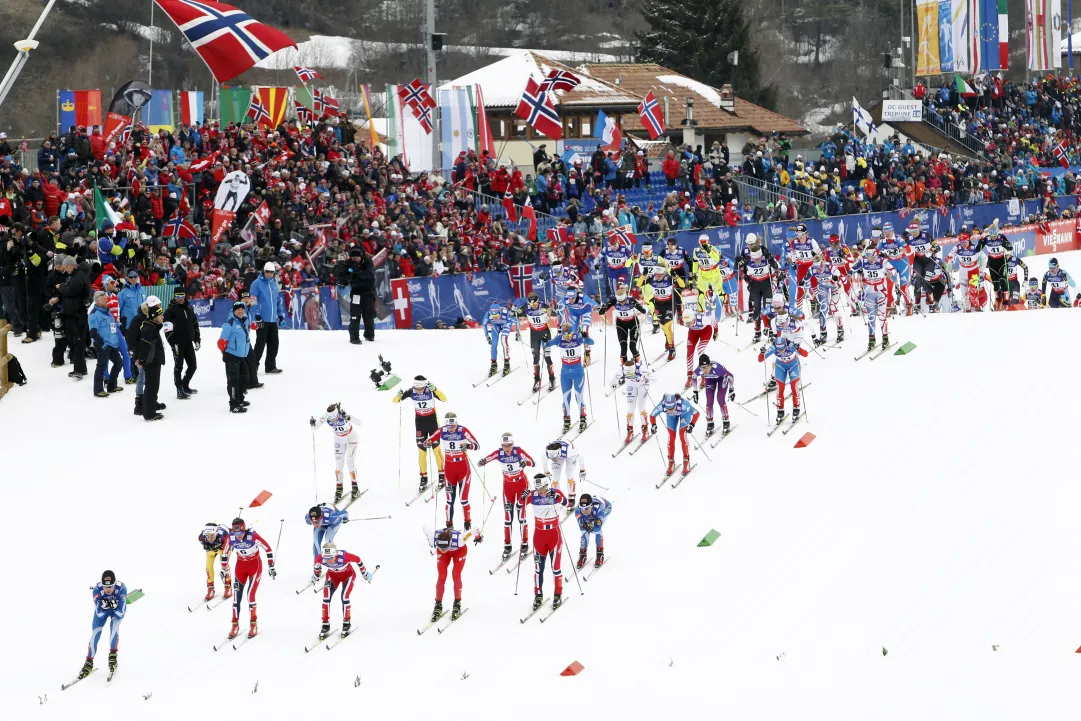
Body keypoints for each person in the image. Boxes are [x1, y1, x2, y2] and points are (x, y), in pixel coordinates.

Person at [478, 432, 535, 562]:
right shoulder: (499, 453)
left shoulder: (518, 451)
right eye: (504, 445)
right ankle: (507, 545)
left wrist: (525, 463)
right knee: (508, 518)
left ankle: (525, 543)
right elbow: (488, 458)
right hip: (508, 487)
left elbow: (533, 462)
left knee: (521, 516)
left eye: (509, 445)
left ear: (513, 444)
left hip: (521, 485)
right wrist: (483, 461)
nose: (507, 448)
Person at [521, 473, 569, 612]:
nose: (540, 491)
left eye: (542, 488)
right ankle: (538, 595)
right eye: (538, 488)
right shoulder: (533, 495)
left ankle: (557, 595)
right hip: (539, 536)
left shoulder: (555, 493)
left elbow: (568, 503)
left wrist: (558, 498)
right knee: (538, 569)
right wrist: (523, 497)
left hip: (554, 535)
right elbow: (519, 506)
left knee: (556, 568)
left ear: (546, 485)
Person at [392, 375, 448, 493]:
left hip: (433, 424)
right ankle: (423, 477)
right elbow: (395, 401)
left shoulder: (430, 389)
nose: (418, 391)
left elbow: (444, 399)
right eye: (416, 389)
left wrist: (435, 389)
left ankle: (442, 475)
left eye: (420, 389)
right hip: (420, 425)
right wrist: (398, 395)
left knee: (436, 451)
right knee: (422, 453)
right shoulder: (411, 391)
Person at [425, 411, 479, 528]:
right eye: (449, 426)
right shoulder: (442, 430)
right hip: (449, 469)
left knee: (463, 500)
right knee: (450, 500)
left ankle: (467, 523)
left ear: (456, 424)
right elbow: (431, 439)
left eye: (453, 426)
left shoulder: (463, 430)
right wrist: (427, 442)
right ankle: (449, 525)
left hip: (463, 469)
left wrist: (468, 446)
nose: (451, 429)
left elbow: (477, 445)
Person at [227, 517, 276, 640]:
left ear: (244, 530)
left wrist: (271, 566)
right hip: (240, 567)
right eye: (235, 533)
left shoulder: (252, 536)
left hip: (255, 566)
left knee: (250, 596)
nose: (238, 536)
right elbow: (225, 553)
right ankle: (234, 625)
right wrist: (223, 568)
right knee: (236, 597)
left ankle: (253, 624)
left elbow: (268, 549)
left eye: (240, 533)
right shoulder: (231, 537)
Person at [545, 321, 595, 433]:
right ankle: (566, 421)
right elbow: (547, 344)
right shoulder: (560, 338)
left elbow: (591, 342)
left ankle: (583, 419)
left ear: (572, 333)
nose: (567, 338)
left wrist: (586, 337)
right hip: (565, 373)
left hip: (578, 372)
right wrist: (545, 340)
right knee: (566, 398)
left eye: (569, 335)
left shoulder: (577, 337)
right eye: (565, 335)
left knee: (579, 396)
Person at [76, 570, 127, 680]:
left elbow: (121, 613)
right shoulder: (97, 590)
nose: (107, 590)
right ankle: (89, 662)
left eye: (110, 587)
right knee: (95, 634)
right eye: (105, 587)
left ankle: (113, 656)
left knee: (114, 629)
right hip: (103, 611)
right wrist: (106, 606)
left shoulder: (121, 588)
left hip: (115, 612)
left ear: (114, 584)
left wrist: (112, 606)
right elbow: (99, 614)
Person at [317, 543, 372, 640]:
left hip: (348, 576)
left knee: (344, 597)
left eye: (331, 558)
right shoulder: (320, 557)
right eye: (326, 558)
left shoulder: (344, 556)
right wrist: (316, 575)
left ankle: (346, 623)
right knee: (326, 598)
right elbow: (317, 565)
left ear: (335, 555)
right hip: (332, 577)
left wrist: (364, 573)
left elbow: (358, 559)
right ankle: (325, 625)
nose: (328, 561)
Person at [310, 403, 361, 503]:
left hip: (351, 438)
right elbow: (314, 428)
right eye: (331, 419)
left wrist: (349, 417)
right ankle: (339, 489)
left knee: (350, 463)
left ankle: (355, 487)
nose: (332, 421)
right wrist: (312, 423)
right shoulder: (325, 416)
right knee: (338, 466)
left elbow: (359, 422)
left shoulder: (342, 413)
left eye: (334, 418)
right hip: (338, 440)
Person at [431, 526, 481, 623]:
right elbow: (424, 527)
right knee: (441, 576)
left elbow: (475, 530)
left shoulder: (460, 539)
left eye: (444, 548)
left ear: (449, 543)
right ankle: (438, 605)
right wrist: (443, 549)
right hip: (446, 554)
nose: (442, 550)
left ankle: (457, 604)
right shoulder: (433, 537)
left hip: (459, 551)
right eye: (440, 548)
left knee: (456, 574)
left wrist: (478, 537)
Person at [852, 245, 898, 351]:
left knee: (882, 316)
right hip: (869, 293)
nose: (870, 259)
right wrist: (852, 273)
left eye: (872, 257)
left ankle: (885, 338)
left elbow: (894, 270)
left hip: (881, 292)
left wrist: (890, 273)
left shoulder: (883, 261)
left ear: (876, 255)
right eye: (868, 257)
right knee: (871, 317)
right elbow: (852, 269)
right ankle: (871, 339)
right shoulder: (863, 261)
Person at [637, 261, 684, 361]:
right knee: (663, 326)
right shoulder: (652, 278)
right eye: (657, 275)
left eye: (660, 275)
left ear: (664, 273)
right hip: (658, 305)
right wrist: (644, 275)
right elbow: (639, 284)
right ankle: (668, 338)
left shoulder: (669, 278)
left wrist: (676, 276)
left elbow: (682, 285)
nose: (658, 277)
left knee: (666, 325)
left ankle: (672, 348)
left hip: (669, 305)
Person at [758, 335, 808, 424]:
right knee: (780, 388)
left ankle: (796, 408)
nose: (780, 351)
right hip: (781, 366)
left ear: (785, 345)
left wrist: (798, 348)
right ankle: (780, 410)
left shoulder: (791, 346)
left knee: (794, 387)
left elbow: (806, 354)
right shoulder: (773, 347)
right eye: (779, 350)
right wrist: (762, 352)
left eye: (782, 349)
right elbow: (760, 359)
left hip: (793, 365)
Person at [513, 291, 556, 393]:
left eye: (535, 303)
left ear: (538, 300)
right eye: (532, 304)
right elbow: (515, 315)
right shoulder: (526, 307)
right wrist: (513, 311)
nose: (534, 305)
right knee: (535, 358)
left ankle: (552, 379)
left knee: (547, 357)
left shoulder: (543, 305)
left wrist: (549, 311)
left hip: (545, 333)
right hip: (534, 334)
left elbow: (554, 313)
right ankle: (537, 380)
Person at [248, 262, 284, 384]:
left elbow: (277, 301)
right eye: (267, 272)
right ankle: (253, 367)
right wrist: (256, 314)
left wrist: (280, 315)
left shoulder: (273, 284)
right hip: (262, 319)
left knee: (274, 343)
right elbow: (253, 299)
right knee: (260, 344)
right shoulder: (256, 284)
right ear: (263, 271)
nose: (269, 274)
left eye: (271, 272)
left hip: (272, 319)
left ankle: (270, 366)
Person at [649, 392, 700, 476]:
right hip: (671, 417)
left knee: (682, 435)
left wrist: (692, 425)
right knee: (671, 437)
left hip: (684, 414)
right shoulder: (662, 405)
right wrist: (653, 425)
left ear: (675, 403)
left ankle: (686, 461)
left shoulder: (684, 404)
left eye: (672, 407)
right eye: (668, 408)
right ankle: (671, 461)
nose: (670, 410)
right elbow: (652, 415)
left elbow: (696, 413)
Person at [597, 282, 648, 366]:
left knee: (632, 347)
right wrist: (603, 309)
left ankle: (638, 363)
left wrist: (640, 308)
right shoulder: (613, 300)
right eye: (619, 301)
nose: (622, 303)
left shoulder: (630, 299)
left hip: (633, 324)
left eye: (623, 301)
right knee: (623, 348)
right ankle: (624, 366)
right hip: (621, 324)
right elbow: (602, 310)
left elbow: (642, 309)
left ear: (625, 297)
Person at [740, 237, 778, 343]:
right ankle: (757, 333)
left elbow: (776, 270)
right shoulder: (747, 260)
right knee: (756, 310)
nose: (757, 261)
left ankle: (771, 331)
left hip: (766, 284)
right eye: (754, 259)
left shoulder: (766, 258)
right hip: (755, 285)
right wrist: (747, 280)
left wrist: (771, 260)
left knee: (768, 309)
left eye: (759, 259)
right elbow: (743, 271)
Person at [164, 289, 200, 399]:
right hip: (178, 344)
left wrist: (197, 339)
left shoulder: (189, 308)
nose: (181, 298)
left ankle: (185, 385)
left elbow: (195, 324)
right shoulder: (169, 311)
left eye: (182, 295)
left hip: (188, 343)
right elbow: (167, 330)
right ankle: (179, 390)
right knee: (178, 367)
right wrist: (173, 343)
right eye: (178, 296)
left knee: (193, 366)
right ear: (174, 296)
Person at [135, 293, 166, 421]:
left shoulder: (153, 327)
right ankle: (149, 413)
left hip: (154, 361)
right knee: (151, 387)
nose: (162, 317)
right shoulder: (149, 329)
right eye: (160, 315)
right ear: (154, 316)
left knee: (153, 386)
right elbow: (145, 347)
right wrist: (141, 360)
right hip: (151, 362)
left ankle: (150, 409)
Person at [217, 300, 252, 413]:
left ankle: (240, 399)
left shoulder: (244, 321)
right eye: (238, 309)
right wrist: (226, 353)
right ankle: (234, 405)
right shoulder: (230, 323)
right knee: (233, 381)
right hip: (232, 356)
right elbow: (221, 342)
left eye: (242, 309)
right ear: (234, 311)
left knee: (245, 377)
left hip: (242, 356)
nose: (241, 311)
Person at [87, 290, 123, 398]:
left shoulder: (108, 312)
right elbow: (93, 332)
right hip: (103, 344)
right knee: (101, 366)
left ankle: (112, 386)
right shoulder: (94, 314)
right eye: (104, 298)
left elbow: (113, 327)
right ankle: (98, 390)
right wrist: (101, 343)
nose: (106, 299)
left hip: (112, 344)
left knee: (118, 363)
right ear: (97, 301)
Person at [691, 354, 735, 436]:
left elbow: (731, 376)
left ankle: (726, 420)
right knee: (709, 401)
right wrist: (695, 392)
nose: (704, 370)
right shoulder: (699, 370)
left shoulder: (718, 369)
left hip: (721, 378)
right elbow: (693, 377)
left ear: (710, 365)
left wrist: (731, 390)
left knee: (720, 399)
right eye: (702, 367)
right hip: (710, 380)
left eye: (706, 367)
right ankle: (710, 422)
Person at [340, 246, 377, 344]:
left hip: (368, 292)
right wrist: (353, 274)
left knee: (369, 314)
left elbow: (369, 275)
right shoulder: (348, 264)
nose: (356, 260)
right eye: (353, 258)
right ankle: (354, 337)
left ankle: (369, 335)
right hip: (356, 293)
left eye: (357, 258)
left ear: (361, 257)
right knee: (355, 315)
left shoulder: (368, 262)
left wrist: (356, 275)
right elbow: (344, 278)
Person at [610, 358, 651, 444]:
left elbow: (652, 378)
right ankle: (630, 431)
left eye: (631, 374)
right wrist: (613, 385)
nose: (629, 375)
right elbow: (614, 379)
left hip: (642, 386)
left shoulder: (640, 368)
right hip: (631, 386)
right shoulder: (621, 369)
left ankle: (645, 430)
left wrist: (645, 378)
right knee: (630, 409)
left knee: (641, 407)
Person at [306, 504, 350, 583]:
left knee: (328, 541)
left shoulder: (331, 516)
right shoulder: (308, 518)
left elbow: (345, 513)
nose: (316, 524)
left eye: (318, 521)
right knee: (316, 544)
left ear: (321, 517)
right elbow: (314, 522)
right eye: (313, 522)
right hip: (323, 524)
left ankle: (335, 563)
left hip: (332, 523)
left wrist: (345, 518)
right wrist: (318, 523)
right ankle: (317, 568)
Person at [560, 282, 598, 365]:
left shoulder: (583, 298)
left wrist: (600, 308)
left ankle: (587, 354)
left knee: (584, 331)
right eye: (569, 298)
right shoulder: (565, 299)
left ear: (576, 295)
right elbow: (560, 308)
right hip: (574, 313)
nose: (570, 300)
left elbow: (595, 304)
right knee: (573, 332)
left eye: (572, 298)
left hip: (586, 312)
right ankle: (574, 355)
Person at [543, 439, 586, 507]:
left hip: (569, 456)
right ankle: (555, 496)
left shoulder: (568, 451)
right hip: (560, 455)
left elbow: (581, 458)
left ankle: (571, 496)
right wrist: (546, 472)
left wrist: (582, 470)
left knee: (569, 473)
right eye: (551, 458)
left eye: (554, 457)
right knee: (555, 477)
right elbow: (544, 461)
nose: (553, 460)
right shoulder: (548, 452)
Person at [575, 493, 612, 569]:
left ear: (591, 506)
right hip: (593, 512)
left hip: (606, 507)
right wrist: (585, 525)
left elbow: (597, 528)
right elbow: (581, 528)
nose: (584, 511)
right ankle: (582, 554)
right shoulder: (578, 510)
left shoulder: (599, 508)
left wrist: (592, 524)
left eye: (587, 508)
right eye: (582, 508)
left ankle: (600, 553)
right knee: (584, 531)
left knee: (596, 530)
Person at [197, 523, 233, 602]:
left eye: (212, 536)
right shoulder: (201, 537)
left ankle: (228, 586)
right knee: (208, 567)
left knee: (225, 565)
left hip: (224, 548)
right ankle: (210, 588)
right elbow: (206, 548)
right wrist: (210, 548)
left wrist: (223, 567)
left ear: (216, 533)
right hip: (214, 549)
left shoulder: (223, 536)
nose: (210, 539)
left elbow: (225, 552)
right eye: (208, 536)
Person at [682, 304, 713, 388]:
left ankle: (704, 375)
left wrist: (716, 331)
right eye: (686, 323)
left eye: (689, 322)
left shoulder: (703, 319)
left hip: (705, 332)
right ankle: (689, 376)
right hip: (693, 333)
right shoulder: (684, 320)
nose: (688, 324)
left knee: (700, 350)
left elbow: (713, 321)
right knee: (689, 352)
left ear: (694, 319)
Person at [483, 299, 513, 377]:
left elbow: (514, 320)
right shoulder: (488, 314)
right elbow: (484, 325)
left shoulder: (505, 313)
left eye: (496, 315)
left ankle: (507, 364)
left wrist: (518, 333)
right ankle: (494, 365)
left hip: (505, 324)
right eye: (493, 316)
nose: (495, 317)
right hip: (496, 326)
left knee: (503, 340)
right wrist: (487, 336)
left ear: (499, 312)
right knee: (494, 344)